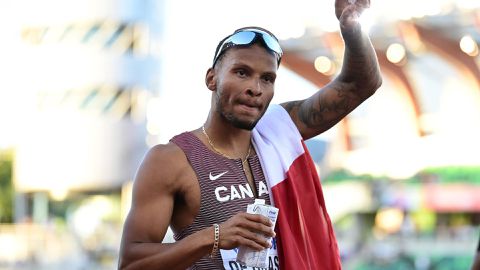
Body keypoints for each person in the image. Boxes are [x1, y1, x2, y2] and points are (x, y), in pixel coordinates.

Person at [118, 0, 382, 269]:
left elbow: (360, 84)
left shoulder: (279, 134)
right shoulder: (172, 160)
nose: (255, 88)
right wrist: (214, 237)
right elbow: (130, 263)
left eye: (267, 79)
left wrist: (352, 27)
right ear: (212, 78)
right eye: (242, 72)